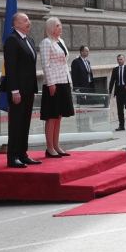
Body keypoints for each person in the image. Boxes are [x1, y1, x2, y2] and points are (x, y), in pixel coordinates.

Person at [3, 12, 41, 168]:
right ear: (16, 24)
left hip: (29, 89)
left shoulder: (29, 40)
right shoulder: (12, 40)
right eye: (25, 20)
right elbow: (10, 68)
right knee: (16, 123)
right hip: (18, 90)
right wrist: (14, 90)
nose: (29, 22)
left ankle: (23, 154)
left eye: (29, 20)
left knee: (25, 123)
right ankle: (12, 157)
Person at [39, 17, 74, 158]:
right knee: (52, 116)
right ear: (51, 28)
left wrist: (69, 81)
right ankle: (50, 148)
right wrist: (51, 83)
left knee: (59, 115)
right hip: (53, 83)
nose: (61, 28)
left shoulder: (61, 41)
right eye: (58, 25)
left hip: (64, 81)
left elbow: (64, 63)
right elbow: (45, 65)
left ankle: (56, 145)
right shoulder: (46, 42)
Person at [108, 54, 126, 130]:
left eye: (121, 59)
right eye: (118, 59)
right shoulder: (115, 69)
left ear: (124, 60)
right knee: (120, 109)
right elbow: (112, 81)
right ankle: (121, 126)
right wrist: (110, 92)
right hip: (119, 91)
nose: (119, 61)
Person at [70, 45, 94, 131]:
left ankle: (87, 126)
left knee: (87, 108)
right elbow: (74, 76)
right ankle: (80, 127)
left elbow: (89, 74)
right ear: (81, 52)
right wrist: (77, 88)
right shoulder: (76, 62)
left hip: (88, 87)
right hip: (81, 88)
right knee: (81, 108)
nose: (87, 52)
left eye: (88, 51)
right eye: (86, 51)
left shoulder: (88, 62)